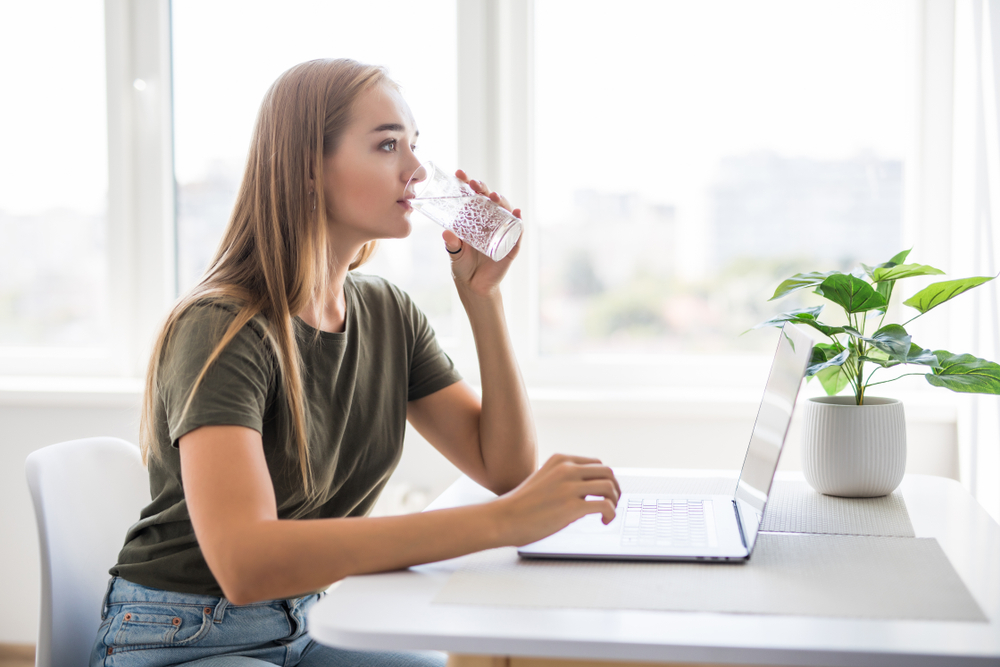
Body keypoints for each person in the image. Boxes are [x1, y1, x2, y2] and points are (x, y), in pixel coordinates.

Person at [90, 58, 620, 667]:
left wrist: (484, 299)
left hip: (310, 622)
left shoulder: (386, 311)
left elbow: (504, 469)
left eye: (414, 145)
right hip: (181, 634)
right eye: (388, 144)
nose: (418, 170)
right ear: (308, 169)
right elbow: (245, 563)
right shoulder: (221, 326)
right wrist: (503, 523)